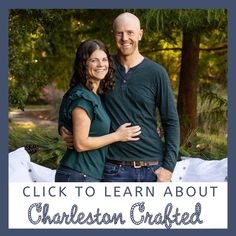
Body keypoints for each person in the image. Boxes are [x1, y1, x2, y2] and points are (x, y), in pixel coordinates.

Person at [60, 12, 180, 182]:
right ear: (114, 35)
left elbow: (171, 121)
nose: (125, 38)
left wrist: (168, 168)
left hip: (152, 168)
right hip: (113, 169)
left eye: (130, 32)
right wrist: (63, 126)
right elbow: (76, 95)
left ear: (140, 34)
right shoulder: (104, 69)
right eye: (119, 33)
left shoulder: (156, 73)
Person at [55, 39, 141, 182]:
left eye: (104, 59)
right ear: (84, 64)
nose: (101, 65)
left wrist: (62, 127)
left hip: (86, 174)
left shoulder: (93, 95)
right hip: (79, 174)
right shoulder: (83, 97)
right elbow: (81, 144)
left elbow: (66, 111)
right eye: (94, 60)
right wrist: (117, 136)